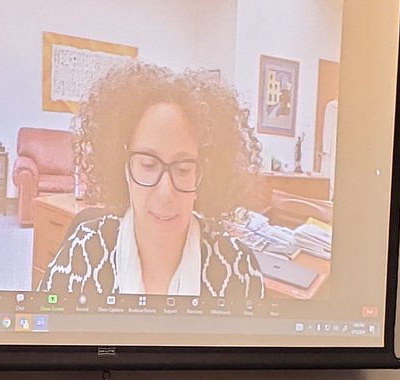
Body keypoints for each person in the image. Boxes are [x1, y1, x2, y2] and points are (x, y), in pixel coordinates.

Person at [42, 63, 265, 300]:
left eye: (183, 169)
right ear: (124, 169)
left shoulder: (238, 269)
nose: (165, 192)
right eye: (148, 166)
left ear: (204, 176)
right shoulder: (83, 252)